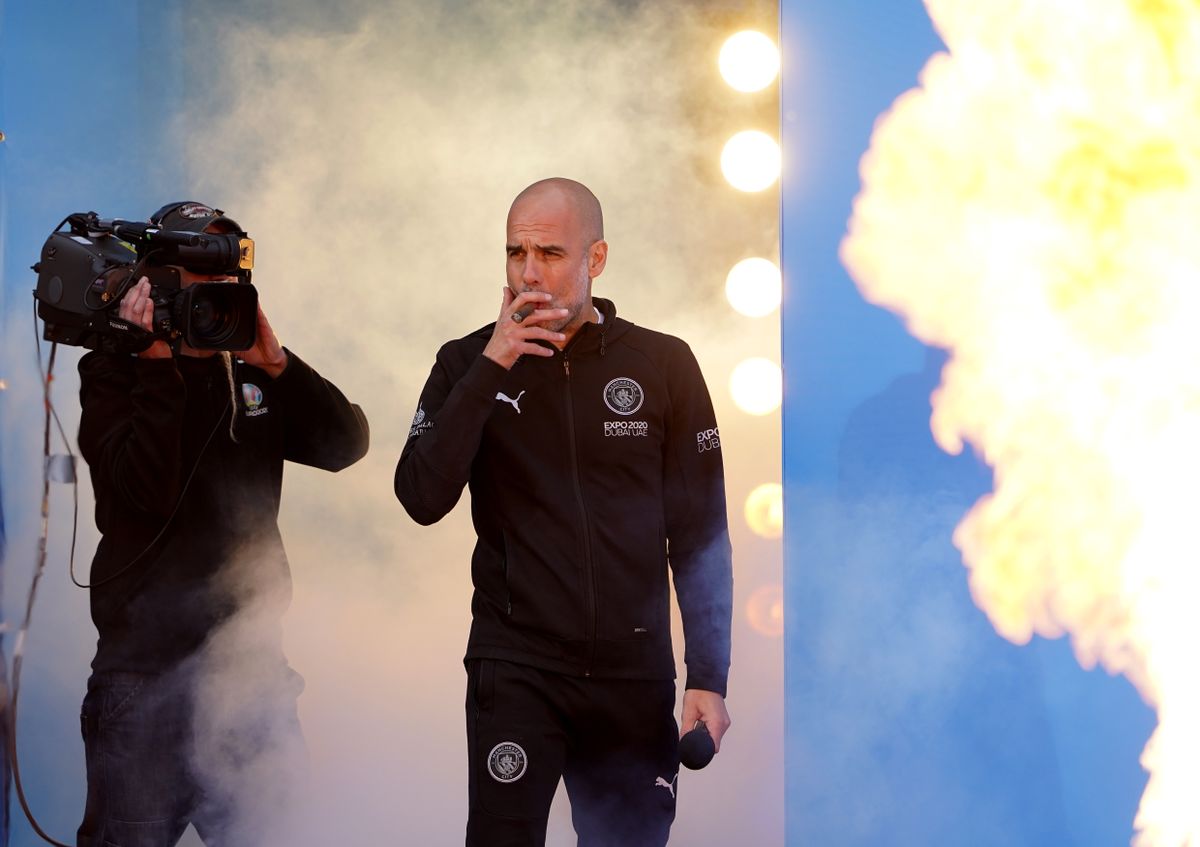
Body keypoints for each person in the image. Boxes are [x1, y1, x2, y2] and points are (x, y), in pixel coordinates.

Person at [394, 178, 732, 846]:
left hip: (632, 674)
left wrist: (708, 677)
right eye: (515, 253)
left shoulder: (663, 364)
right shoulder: (465, 362)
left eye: (548, 252)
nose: (528, 272)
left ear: (595, 258)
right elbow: (420, 497)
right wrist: (493, 365)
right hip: (517, 667)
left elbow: (700, 535)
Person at [75, 201, 370, 847]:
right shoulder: (112, 369)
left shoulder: (250, 370)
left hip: (251, 680)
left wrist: (278, 363)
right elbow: (141, 495)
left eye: (228, 281)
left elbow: (346, 444)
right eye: (199, 280)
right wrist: (156, 364)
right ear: (156, 284)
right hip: (144, 681)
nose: (217, 298)